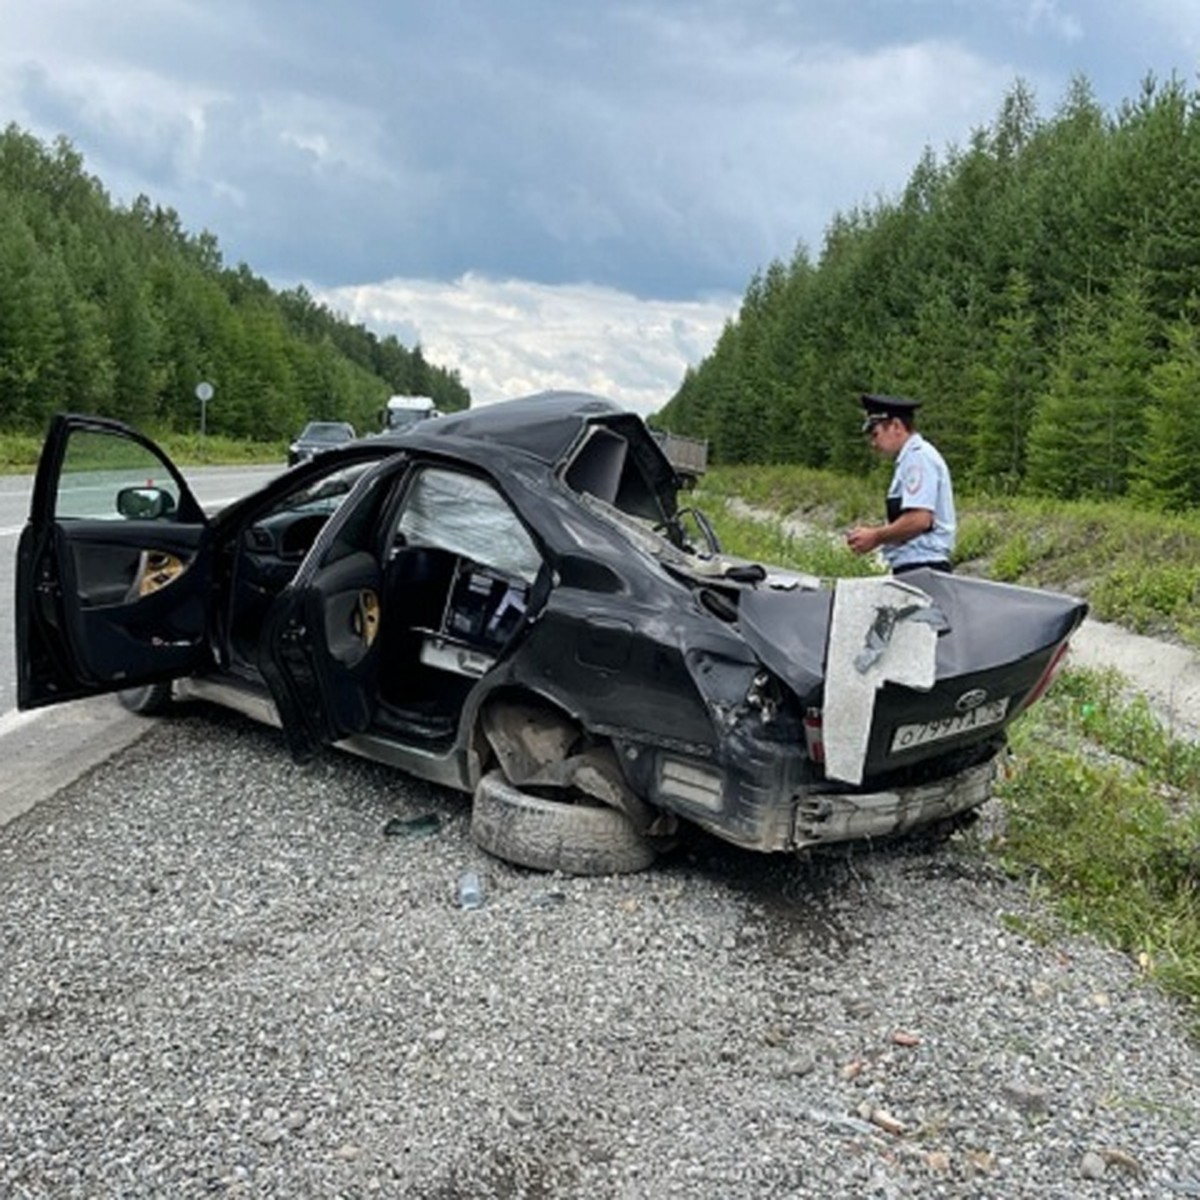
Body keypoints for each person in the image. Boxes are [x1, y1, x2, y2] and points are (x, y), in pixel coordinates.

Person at [845, 393, 956, 574]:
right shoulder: (909, 459)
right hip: (916, 565)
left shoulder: (917, 458)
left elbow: (919, 519)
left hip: (922, 565)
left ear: (896, 426)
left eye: (876, 434)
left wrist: (875, 536)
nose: (873, 443)